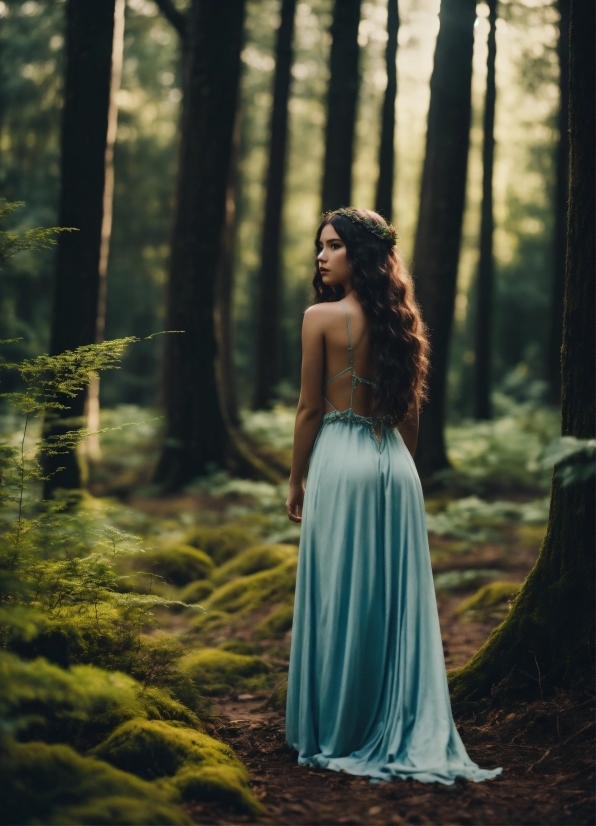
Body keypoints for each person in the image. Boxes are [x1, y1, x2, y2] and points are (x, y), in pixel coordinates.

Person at [284, 207, 502, 785]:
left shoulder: (319, 319)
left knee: (340, 595)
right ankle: (392, 714)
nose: (321, 256)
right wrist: (403, 467)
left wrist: (295, 477)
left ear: (360, 254)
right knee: (390, 598)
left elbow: (310, 409)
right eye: (319, 246)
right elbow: (409, 415)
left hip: (340, 459)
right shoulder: (403, 321)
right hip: (394, 467)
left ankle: (337, 726)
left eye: (332, 246)